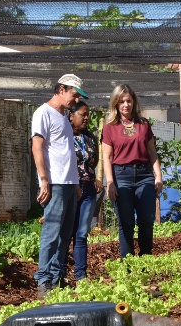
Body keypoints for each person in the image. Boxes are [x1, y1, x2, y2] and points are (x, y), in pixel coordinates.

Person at [31, 74, 88, 297]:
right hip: (54, 183)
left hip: (68, 183)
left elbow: (67, 153)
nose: (76, 101)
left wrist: (74, 182)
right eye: (74, 96)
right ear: (62, 89)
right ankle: (43, 281)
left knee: (65, 235)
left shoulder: (63, 117)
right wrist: (44, 180)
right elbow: (37, 148)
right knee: (51, 233)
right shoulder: (43, 113)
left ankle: (56, 279)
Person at [101, 84, 163, 258]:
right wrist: (110, 182)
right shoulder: (109, 128)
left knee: (146, 221)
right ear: (116, 104)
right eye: (121, 101)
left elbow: (152, 152)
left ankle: (146, 260)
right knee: (126, 223)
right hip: (121, 176)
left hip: (144, 175)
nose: (126, 105)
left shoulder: (143, 124)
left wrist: (158, 175)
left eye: (128, 100)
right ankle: (127, 264)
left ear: (134, 101)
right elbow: (106, 157)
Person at [67, 99, 103, 281]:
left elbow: (91, 162)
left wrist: (95, 178)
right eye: (83, 114)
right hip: (70, 188)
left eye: (87, 114)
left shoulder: (89, 138)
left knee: (81, 233)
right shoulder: (64, 136)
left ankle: (81, 276)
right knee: (66, 231)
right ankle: (60, 274)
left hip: (88, 189)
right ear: (71, 116)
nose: (87, 118)